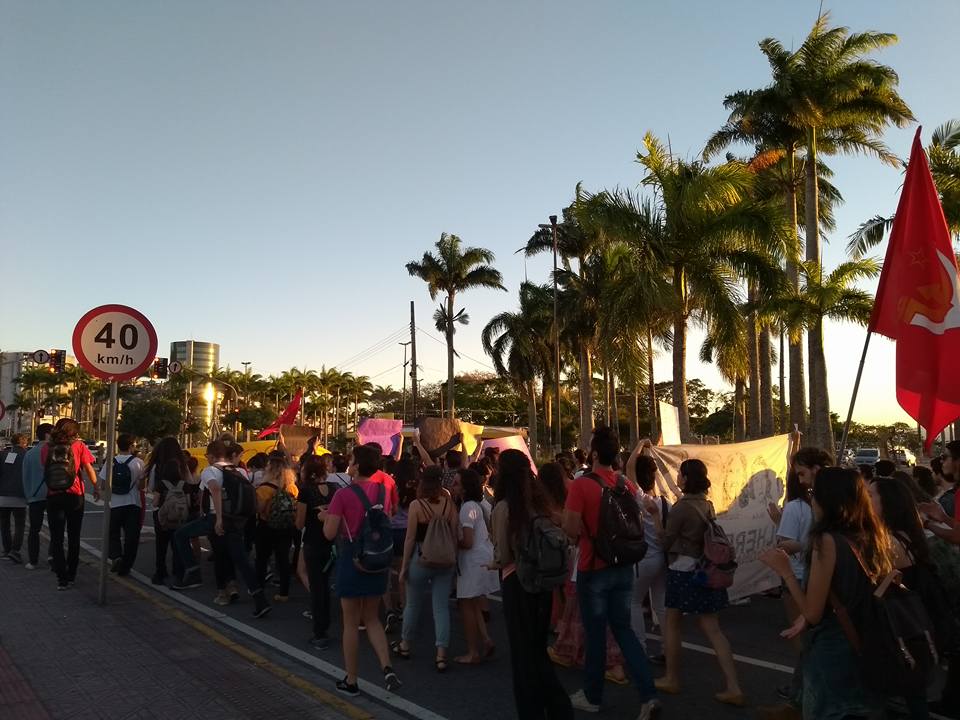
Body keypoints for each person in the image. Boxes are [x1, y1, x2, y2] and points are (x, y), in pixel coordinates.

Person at [761, 467, 892, 720]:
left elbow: (813, 612)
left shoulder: (827, 541)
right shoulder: (872, 534)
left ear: (826, 498)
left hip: (834, 644)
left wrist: (785, 571)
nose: (811, 499)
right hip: (868, 637)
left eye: (814, 492)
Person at [562, 426, 661, 717]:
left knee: (595, 636)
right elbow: (643, 513)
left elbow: (570, 529)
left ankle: (592, 696)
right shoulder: (624, 483)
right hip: (624, 566)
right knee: (624, 630)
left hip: (593, 567)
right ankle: (648, 695)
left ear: (594, 453)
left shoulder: (581, 485)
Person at [490, 449, 573, 720]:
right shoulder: (539, 503)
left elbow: (503, 555)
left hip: (516, 583)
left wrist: (494, 563)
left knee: (522, 655)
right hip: (542, 582)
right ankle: (559, 708)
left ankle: (532, 711)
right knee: (538, 650)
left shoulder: (504, 508)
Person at [656, 458, 743, 706]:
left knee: (672, 622)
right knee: (713, 628)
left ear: (686, 478)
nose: (677, 477)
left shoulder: (681, 508)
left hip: (683, 570)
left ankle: (672, 678)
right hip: (705, 569)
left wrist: (653, 517)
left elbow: (665, 541)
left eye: (680, 474)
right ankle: (734, 686)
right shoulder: (707, 504)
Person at [321, 444, 401, 696]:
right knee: (372, 618)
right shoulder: (383, 491)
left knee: (351, 623)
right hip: (378, 558)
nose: (349, 463)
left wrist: (325, 517)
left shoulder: (343, 495)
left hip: (352, 558)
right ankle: (386, 666)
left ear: (356, 466)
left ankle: (352, 679)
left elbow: (329, 533)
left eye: (352, 460)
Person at [173, 440, 270, 617]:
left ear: (211, 455)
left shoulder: (210, 470)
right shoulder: (238, 470)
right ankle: (259, 598)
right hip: (236, 520)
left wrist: (218, 518)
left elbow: (215, 490)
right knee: (240, 559)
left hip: (216, 518)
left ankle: (193, 572)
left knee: (181, 535)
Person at [392, 465, 459, 671]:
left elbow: (410, 538)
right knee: (441, 607)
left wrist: (404, 567)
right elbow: (454, 535)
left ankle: (405, 645)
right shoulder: (449, 505)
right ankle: (441, 654)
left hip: (421, 558)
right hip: (445, 561)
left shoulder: (416, 505)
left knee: (413, 604)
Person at [624, 439, 669, 663]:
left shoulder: (639, 498)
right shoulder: (665, 502)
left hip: (642, 560)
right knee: (661, 605)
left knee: (633, 602)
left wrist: (640, 443)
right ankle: (668, 649)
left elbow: (630, 467)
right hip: (662, 558)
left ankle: (639, 649)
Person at [43, 419, 98, 590]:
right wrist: (96, 487)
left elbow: (45, 468)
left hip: (54, 495)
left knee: (56, 538)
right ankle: (71, 574)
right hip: (75, 496)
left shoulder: (47, 447)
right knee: (74, 537)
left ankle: (62, 579)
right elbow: (89, 468)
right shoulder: (79, 446)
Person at [451, 467, 498, 664]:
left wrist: (452, 540)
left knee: (466, 605)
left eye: (456, 483)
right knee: (474, 603)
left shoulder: (467, 508)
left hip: (472, 562)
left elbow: (468, 541)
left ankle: (472, 652)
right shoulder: (475, 505)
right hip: (480, 558)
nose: (452, 486)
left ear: (464, 488)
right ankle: (485, 639)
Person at [297, 452, 338, 650]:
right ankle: (325, 624)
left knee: (316, 586)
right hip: (331, 543)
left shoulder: (306, 490)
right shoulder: (335, 488)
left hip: (312, 542)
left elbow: (299, 523)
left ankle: (319, 632)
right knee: (325, 583)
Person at [146, 437, 195, 585]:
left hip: (161, 511)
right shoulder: (183, 466)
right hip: (180, 511)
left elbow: (150, 488)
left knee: (161, 544)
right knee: (178, 542)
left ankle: (160, 572)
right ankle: (178, 572)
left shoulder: (156, 466)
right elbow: (191, 482)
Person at [255, 451, 299, 603]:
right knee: (283, 558)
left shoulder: (264, 488)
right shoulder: (292, 488)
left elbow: (259, 509)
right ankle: (284, 592)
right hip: (286, 526)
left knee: (262, 558)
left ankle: (259, 588)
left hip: (266, 525)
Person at [100, 433, 146, 576]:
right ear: (131, 446)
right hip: (133, 504)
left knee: (113, 533)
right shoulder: (138, 462)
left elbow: (103, 486)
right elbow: (141, 487)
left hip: (114, 504)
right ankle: (125, 567)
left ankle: (116, 556)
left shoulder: (110, 462)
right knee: (131, 537)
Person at [21, 423, 53, 569]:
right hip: (52, 495)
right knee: (55, 529)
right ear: (47, 435)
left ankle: (33, 561)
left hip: (34, 496)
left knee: (34, 530)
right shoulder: (54, 451)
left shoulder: (29, 454)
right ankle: (52, 556)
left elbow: (25, 476)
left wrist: (28, 495)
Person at [0, 434, 29, 563]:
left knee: (4, 524)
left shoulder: (4, 455)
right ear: (24, 443)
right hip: (20, 495)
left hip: (3, 494)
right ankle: (15, 550)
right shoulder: (27, 455)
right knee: (19, 525)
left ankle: (7, 549)